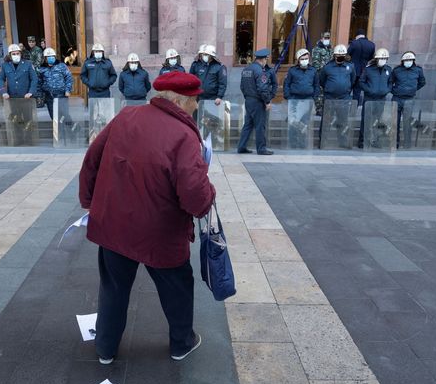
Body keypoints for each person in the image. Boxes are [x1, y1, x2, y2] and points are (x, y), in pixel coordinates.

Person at [79, 71, 215, 364]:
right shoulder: (184, 134)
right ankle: (181, 343)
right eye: (195, 100)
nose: (196, 106)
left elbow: (92, 158)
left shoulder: (126, 116)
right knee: (177, 287)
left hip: (115, 225)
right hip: (160, 232)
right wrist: (208, 198)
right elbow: (193, 192)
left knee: (113, 288)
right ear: (180, 100)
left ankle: (105, 349)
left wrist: (89, 202)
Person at [236, 48, 274, 155]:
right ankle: (261, 149)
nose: (266, 62)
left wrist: (248, 97)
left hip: (249, 100)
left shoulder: (246, 69)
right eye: (266, 60)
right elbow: (262, 88)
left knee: (248, 124)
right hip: (257, 101)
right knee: (260, 125)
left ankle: (242, 147)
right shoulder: (259, 71)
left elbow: (242, 86)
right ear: (263, 60)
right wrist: (267, 102)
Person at [318, 44, 356, 147]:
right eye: (338, 55)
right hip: (330, 98)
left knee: (343, 121)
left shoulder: (350, 66)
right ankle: (323, 142)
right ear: (334, 56)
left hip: (344, 98)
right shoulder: (327, 67)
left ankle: (343, 142)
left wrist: (345, 89)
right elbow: (322, 81)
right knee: (326, 121)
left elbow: (353, 80)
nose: (340, 57)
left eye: (342, 55)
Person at [283, 49, 319, 147]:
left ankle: (303, 144)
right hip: (294, 100)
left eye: (306, 58)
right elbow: (287, 84)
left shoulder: (313, 70)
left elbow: (316, 85)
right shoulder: (292, 70)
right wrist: (288, 97)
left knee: (305, 123)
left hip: (308, 100)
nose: (304, 60)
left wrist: (314, 98)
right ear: (298, 60)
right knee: (293, 123)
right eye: (302, 59)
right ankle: (293, 143)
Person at [358, 48, 392, 147]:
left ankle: (375, 140)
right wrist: (368, 90)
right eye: (381, 58)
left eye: (384, 58)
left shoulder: (388, 70)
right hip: (369, 99)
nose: (382, 60)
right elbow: (361, 81)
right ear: (376, 59)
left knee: (377, 121)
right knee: (366, 120)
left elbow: (390, 82)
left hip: (381, 99)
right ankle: (362, 141)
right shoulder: (368, 69)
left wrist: (387, 90)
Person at [391, 51, 426, 148]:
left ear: (413, 61)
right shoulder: (396, 70)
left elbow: (422, 82)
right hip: (397, 98)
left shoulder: (418, 70)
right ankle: (395, 142)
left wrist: (413, 89)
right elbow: (390, 82)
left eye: (410, 60)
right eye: (406, 60)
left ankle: (407, 143)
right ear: (402, 61)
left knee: (407, 122)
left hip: (409, 99)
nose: (408, 61)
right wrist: (394, 90)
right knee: (395, 122)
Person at [38, 47, 73, 120]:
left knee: (64, 115)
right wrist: (40, 95)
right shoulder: (41, 68)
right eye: (49, 57)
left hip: (61, 95)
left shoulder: (61, 66)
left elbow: (68, 77)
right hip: (49, 96)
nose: (51, 58)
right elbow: (39, 82)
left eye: (52, 56)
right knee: (54, 116)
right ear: (45, 58)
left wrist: (67, 90)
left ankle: (71, 130)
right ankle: (57, 131)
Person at [348, 29, 375, 103]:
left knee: (347, 90)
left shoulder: (354, 43)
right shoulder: (371, 44)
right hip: (364, 71)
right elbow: (371, 57)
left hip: (352, 70)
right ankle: (354, 110)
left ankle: (345, 109)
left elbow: (348, 54)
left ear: (357, 36)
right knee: (357, 92)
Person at [312, 32, 333, 115]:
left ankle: (326, 108)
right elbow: (315, 63)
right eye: (325, 38)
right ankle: (319, 109)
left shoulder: (331, 49)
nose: (327, 40)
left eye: (328, 38)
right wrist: (324, 70)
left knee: (327, 91)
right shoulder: (316, 49)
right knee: (319, 92)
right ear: (321, 38)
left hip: (329, 75)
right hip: (320, 74)